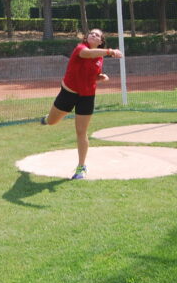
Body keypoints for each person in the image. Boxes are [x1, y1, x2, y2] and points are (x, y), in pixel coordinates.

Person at [40, 28, 123, 179]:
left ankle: (81, 167)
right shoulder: (81, 48)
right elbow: (86, 54)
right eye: (92, 33)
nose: (93, 35)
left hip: (87, 96)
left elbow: (90, 74)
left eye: (97, 35)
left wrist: (100, 77)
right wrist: (111, 51)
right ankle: (47, 119)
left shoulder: (99, 57)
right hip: (68, 93)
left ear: (100, 42)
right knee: (52, 121)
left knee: (81, 131)